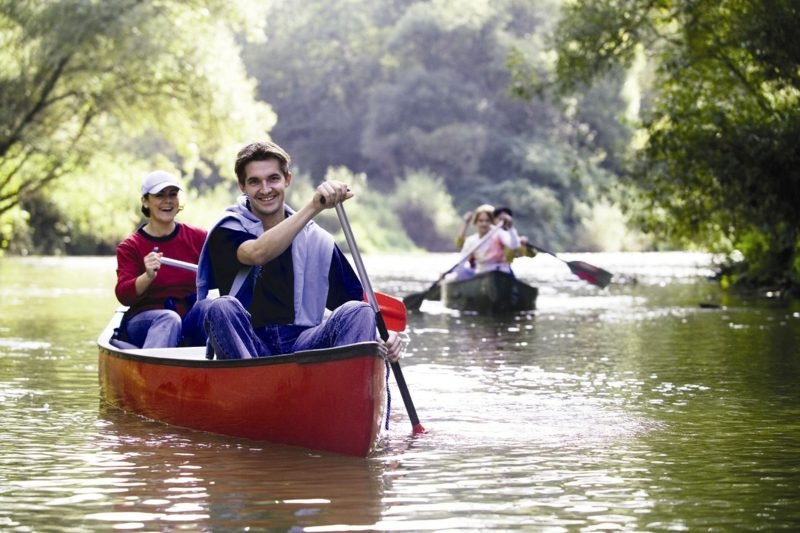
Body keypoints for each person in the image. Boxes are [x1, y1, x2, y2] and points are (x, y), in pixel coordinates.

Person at [195, 141, 403, 361]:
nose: (265, 189)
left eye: (273, 178)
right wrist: (314, 206)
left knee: (359, 311)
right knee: (220, 307)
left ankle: (344, 391)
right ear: (242, 187)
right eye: (255, 181)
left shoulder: (317, 240)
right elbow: (257, 253)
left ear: (287, 180)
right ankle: (253, 387)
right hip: (248, 344)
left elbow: (355, 306)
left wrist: (382, 338)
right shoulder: (227, 230)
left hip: (302, 344)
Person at [114, 170, 212, 348]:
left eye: (172, 194)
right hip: (146, 321)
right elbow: (124, 296)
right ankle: (153, 368)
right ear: (145, 201)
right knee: (169, 318)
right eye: (160, 195)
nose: (167, 201)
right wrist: (147, 277)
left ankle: (229, 365)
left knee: (213, 307)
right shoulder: (130, 247)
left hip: (189, 318)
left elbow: (223, 275)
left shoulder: (200, 238)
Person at [452, 203, 521, 279]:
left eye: (487, 221)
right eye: (481, 221)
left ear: (492, 222)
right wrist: (453, 274)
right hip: (481, 274)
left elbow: (514, 245)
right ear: (476, 222)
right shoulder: (471, 241)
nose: (484, 224)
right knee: (462, 272)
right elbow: (462, 261)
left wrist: (510, 228)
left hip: (501, 272)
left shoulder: (499, 234)